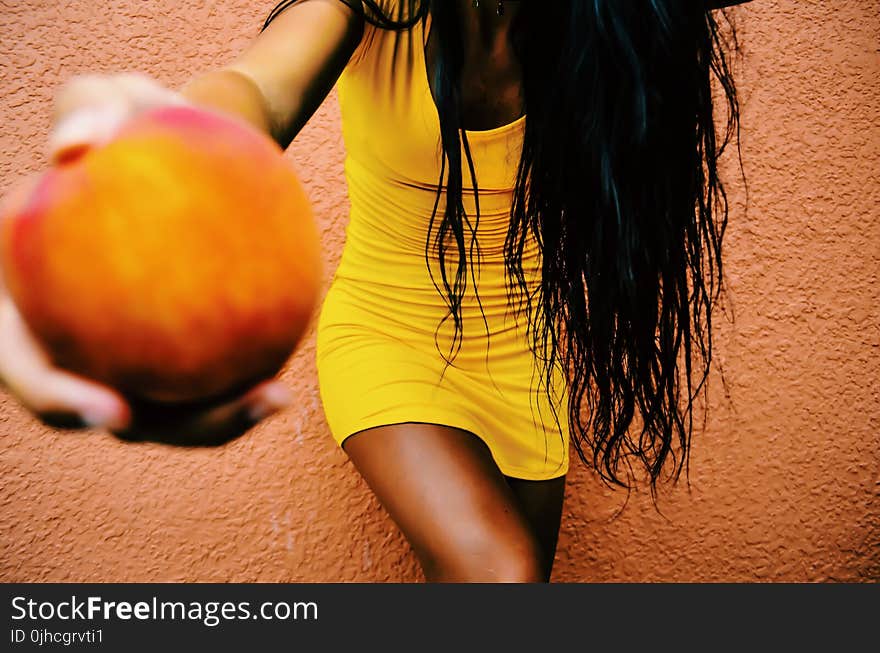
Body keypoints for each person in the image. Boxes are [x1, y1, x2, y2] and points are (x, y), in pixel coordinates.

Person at [0, 0, 748, 581]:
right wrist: (172, 144)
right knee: (500, 571)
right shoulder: (374, 6)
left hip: (528, 354)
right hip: (389, 336)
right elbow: (258, 87)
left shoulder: (613, 27)